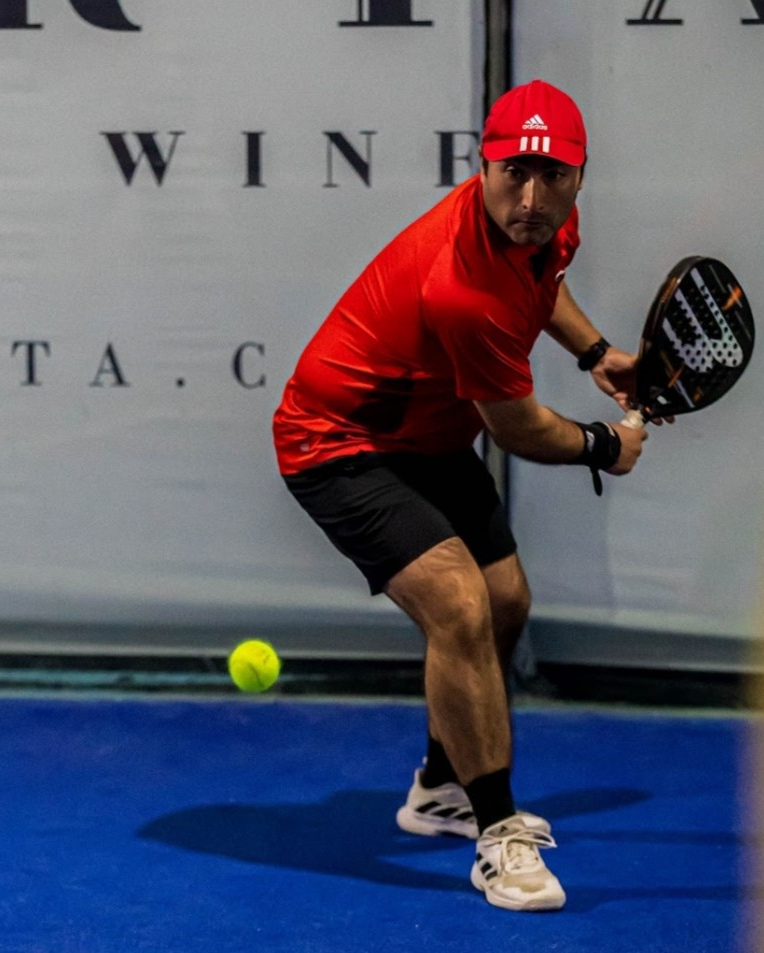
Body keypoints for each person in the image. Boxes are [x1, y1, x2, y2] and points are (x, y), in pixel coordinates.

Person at [271, 79, 650, 912]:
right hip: (338, 444)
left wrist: (596, 354)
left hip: (428, 434)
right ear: (482, 167)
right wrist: (602, 444)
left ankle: (440, 787)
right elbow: (517, 431)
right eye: (514, 173)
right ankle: (496, 834)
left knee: (505, 600)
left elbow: (541, 282)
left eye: (551, 176)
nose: (530, 198)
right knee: (458, 604)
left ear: (578, 177)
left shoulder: (543, 226)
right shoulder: (461, 286)